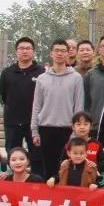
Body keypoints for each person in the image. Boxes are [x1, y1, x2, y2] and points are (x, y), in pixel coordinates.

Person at [31, 39, 86, 181]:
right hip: (45, 128)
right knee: (47, 171)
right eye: (57, 50)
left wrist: (76, 131)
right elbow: (36, 105)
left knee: (65, 170)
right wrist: (34, 130)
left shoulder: (76, 78)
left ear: (68, 53)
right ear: (51, 53)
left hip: (67, 129)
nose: (60, 54)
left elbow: (78, 106)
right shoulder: (42, 78)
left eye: (63, 51)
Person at [0, 36, 45, 156]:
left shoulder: (42, 72)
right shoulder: (7, 73)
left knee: (37, 156)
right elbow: (1, 95)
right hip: (12, 122)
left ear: (33, 52)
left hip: (35, 122)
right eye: (21, 48)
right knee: (13, 154)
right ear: (16, 52)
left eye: (28, 48)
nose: (25, 51)